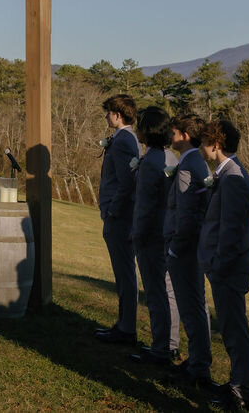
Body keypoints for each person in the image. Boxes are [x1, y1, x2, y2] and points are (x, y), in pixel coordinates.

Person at [199, 120, 249, 411]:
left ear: (217, 144)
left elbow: (232, 230)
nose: (202, 147)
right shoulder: (226, 174)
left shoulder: (233, 177)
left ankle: (243, 390)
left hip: (229, 267)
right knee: (231, 329)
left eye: (205, 142)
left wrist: (218, 265)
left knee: (235, 329)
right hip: (222, 265)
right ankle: (238, 381)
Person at [128, 106, 181, 365]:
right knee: (168, 290)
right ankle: (171, 344)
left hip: (151, 236)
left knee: (155, 292)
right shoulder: (171, 158)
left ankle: (161, 347)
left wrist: (136, 234)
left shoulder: (150, 162)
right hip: (167, 232)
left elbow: (146, 205)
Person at [164, 113, 214, 388]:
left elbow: (186, 213)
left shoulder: (188, 165)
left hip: (184, 249)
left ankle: (199, 366)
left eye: (173, 132)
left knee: (191, 305)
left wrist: (175, 247)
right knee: (195, 305)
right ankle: (197, 360)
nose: (170, 137)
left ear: (184, 135)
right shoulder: (195, 161)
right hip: (192, 246)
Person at [94, 94, 141, 344]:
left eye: (108, 112)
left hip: (120, 216)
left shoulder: (124, 140)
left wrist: (113, 210)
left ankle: (126, 328)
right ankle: (124, 325)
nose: (106, 116)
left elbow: (126, 182)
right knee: (123, 272)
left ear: (118, 115)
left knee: (124, 272)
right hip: (119, 214)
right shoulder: (125, 138)